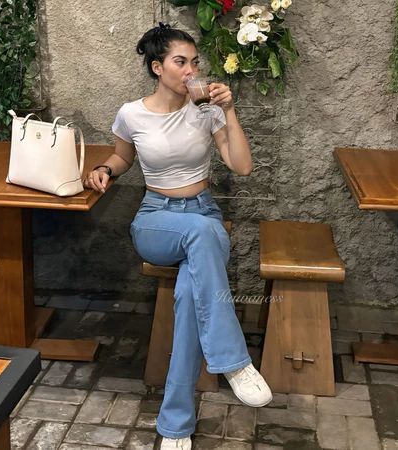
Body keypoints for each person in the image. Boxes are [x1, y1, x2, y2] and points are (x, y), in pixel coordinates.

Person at [84, 22, 272, 450]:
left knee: (190, 297)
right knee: (203, 233)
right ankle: (233, 361)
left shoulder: (206, 109)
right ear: (158, 67)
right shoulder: (131, 114)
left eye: (195, 62)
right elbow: (122, 156)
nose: (191, 70)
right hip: (156, 219)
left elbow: (242, 167)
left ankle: (175, 426)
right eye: (180, 62)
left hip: (203, 214)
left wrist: (230, 111)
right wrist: (106, 169)